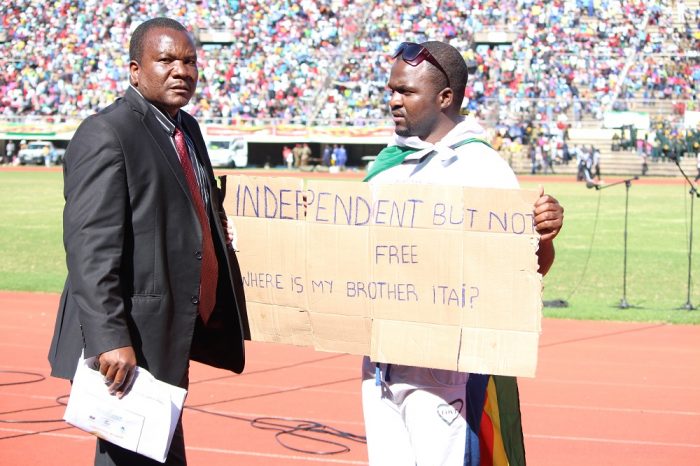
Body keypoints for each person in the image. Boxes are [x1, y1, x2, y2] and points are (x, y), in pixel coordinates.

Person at [47, 17, 249, 466]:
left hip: (173, 323)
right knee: (130, 453)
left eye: (190, 61)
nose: (182, 70)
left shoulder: (187, 128)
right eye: (167, 60)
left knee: (157, 446)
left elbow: (191, 202)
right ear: (136, 70)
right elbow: (89, 248)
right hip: (132, 332)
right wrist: (109, 337)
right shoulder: (107, 132)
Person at [362, 41, 564, 466]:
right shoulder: (387, 164)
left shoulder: (483, 168)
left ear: (445, 97)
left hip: (447, 370)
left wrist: (543, 236)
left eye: (406, 92)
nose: (393, 101)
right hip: (381, 364)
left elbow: (529, 271)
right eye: (391, 90)